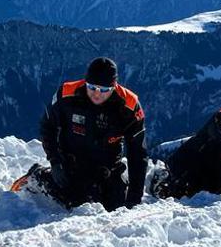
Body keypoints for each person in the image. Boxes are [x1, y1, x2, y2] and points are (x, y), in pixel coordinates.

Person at [11, 57, 148, 211]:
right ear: (85, 82)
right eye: (92, 87)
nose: (97, 94)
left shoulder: (129, 106)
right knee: (79, 204)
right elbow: (47, 126)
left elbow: (138, 153)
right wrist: (55, 161)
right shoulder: (67, 94)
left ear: (114, 86)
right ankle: (38, 175)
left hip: (108, 166)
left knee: (116, 207)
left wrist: (134, 198)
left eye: (104, 90)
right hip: (72, 161)